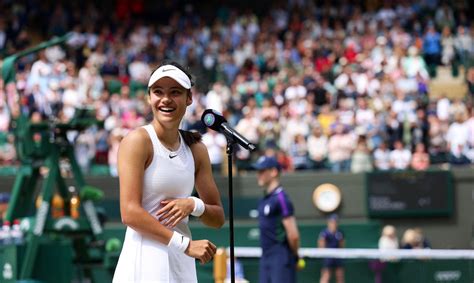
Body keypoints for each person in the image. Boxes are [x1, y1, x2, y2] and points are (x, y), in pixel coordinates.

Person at [113, 61, 225, 282]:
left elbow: (217, 218)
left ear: (189, 98)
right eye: (158, 92)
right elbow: (129, 213)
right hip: (144, 264)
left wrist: (193, 204)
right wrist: (185, 245)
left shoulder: (196, 149)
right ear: (149, 98)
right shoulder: (137, 141)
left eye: (175, 92)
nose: (165, 99)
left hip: (181, 264)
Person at [254, 155, 300, 283]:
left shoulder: (282, 199)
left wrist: (294, 256)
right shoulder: (264, 199)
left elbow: (293, 235)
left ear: (274, 172)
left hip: (280, 257)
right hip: (266, 257)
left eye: (262, 171)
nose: (258, 175)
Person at [318, 214, 345, 283]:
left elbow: (342, 245)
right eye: (332, 222)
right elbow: (321, 244)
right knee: (326, 275)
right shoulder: (324, 233)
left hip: (337, 257)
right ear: (329, 223)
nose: (334, 224)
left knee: (340, 276)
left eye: (335, 222)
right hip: (328, 257)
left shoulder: (340, 233)